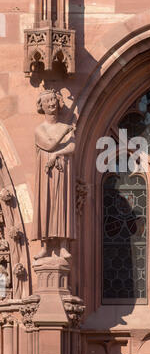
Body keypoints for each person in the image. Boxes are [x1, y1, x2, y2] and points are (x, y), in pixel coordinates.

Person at [32, 89, 76, 260]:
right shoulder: (40, 129)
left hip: (62, 171)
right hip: (46, 175)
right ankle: (45, 246)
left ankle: (63, 246)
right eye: (47, 101)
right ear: (41, 106)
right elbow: (49, 144)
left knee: (62, 205)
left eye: (53, 100)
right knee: (46, 206)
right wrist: (65, 132)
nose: (51, 104)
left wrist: (58, 155)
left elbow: (72, 147)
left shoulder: (64, 127)